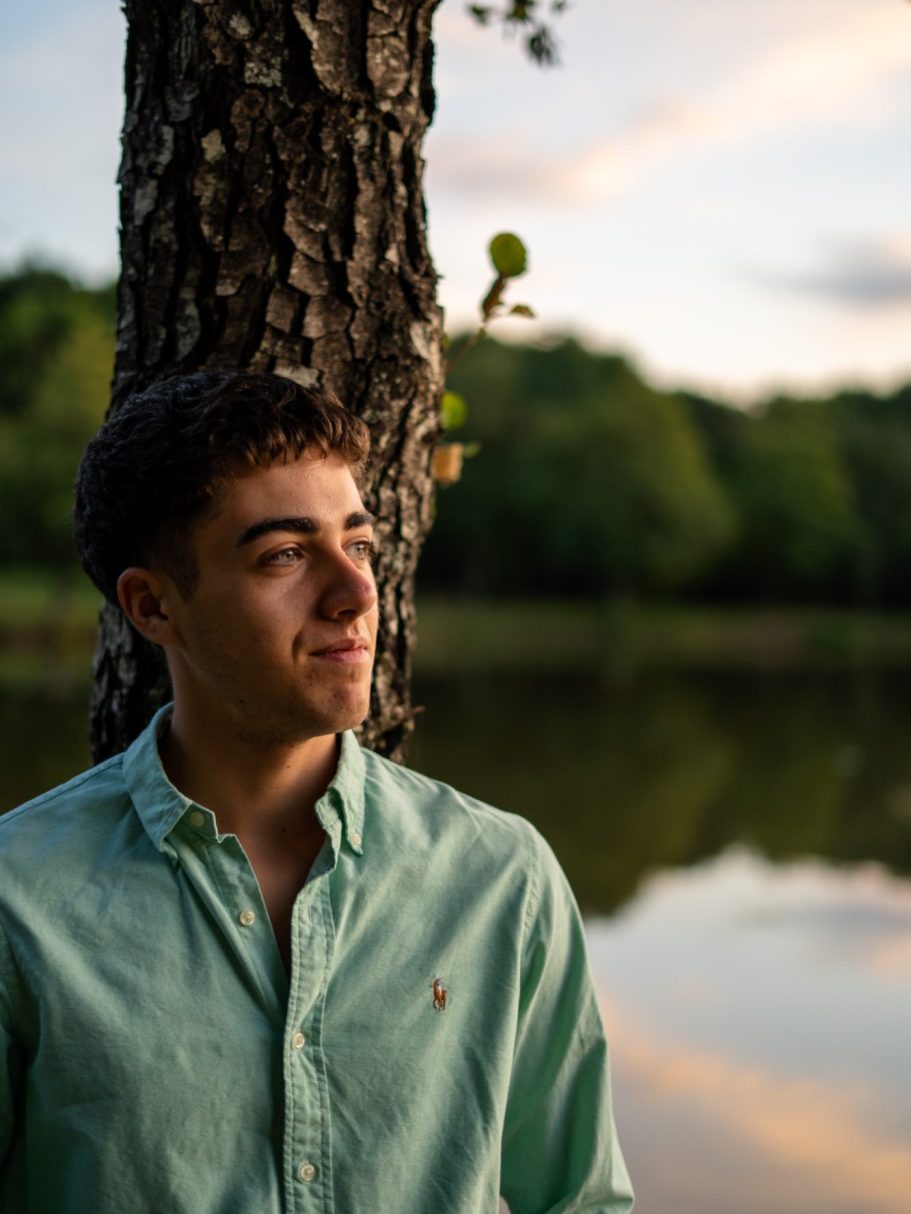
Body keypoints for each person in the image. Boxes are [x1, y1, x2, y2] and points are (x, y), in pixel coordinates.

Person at [0, 371, 633, 1213]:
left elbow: (576, 1203)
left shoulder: (500, 877)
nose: (357, 593)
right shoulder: (18, 900)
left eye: (359, 544)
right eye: (285, 556)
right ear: (153, 606)